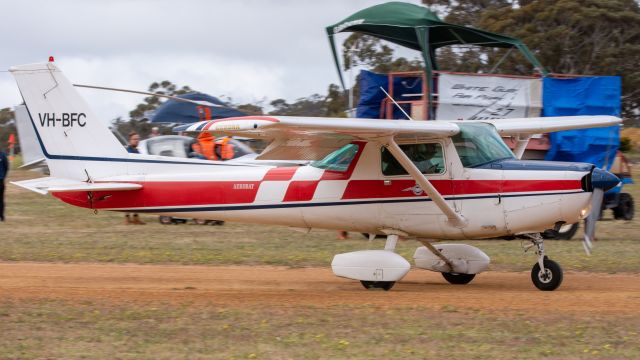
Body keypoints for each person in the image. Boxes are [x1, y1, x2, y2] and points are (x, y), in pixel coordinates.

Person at [124, 132, 144, 225]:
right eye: (134, 139)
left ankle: (136, 218)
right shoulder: (127, 151)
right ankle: (127, 218)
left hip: (137, 178)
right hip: (128, 178)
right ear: (130, 140)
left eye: (138, 139)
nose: (137, 141)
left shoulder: (138, 151)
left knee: (137, 198)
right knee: (128, 199)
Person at [0, 149, 8, 222]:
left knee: (1, 199)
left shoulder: (2, 155)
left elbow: (6, 167)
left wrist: (3, 177)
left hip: (0, 180)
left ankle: (1, 216)